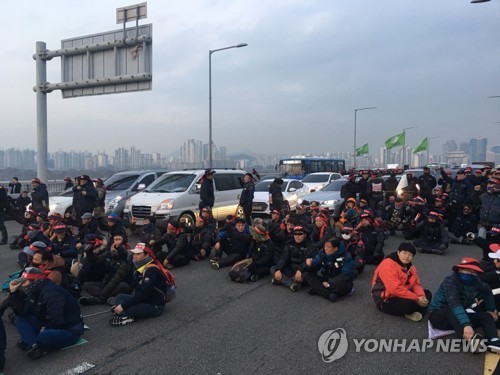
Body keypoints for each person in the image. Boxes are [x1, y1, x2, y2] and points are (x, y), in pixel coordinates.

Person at [9, 267, 84, 359]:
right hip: (47, 323)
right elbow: (22, 312)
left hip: (69, 329)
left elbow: (56, 319)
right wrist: (13, 293)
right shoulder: (34, 290)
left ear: (36, 281)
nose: (22, 285)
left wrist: (45, 329)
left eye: (24, 282)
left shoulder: (52, 292)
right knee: (21, 319)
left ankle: (36, 344)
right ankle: (34, 346)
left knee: (44, 335)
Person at [428, 258, 500, 352]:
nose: (470, 274)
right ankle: (470, 340)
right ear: (460, 270)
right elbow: (454, 304)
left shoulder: (476, 281)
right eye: (467, 271)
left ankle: (494, 341)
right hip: (439, 316)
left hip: (460, 315)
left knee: (486, 316)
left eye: (473, 272)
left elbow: (487, 292)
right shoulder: (450, 281)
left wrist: (491, 310)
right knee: (450, 309)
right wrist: (466, 325)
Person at [110, 244, 174, 327]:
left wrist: (124, 305)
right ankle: (125, 312)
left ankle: (127, 316)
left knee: (128, 308)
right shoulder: (140, 267)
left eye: (138, 254)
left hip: (154, 305)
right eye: (134, 254)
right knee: (120, 297)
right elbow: (135, 290)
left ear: (147, 255)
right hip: (145, 300)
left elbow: (145, 293)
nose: (135, 256)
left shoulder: (151, 270)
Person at [371, 242, 432, 321]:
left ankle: (415, 313)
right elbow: (395, 289)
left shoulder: (410, 267)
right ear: (398, 252)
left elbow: (416, 284)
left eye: (410, 255)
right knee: (409, 304)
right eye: (404, 253)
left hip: (401, 294)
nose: (407, 256)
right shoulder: (387, 264)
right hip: (385, 299)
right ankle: (417, 311)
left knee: (427, 294)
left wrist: (421, 296)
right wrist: (417, 299)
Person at [304, 237, 354, 302]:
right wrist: (309, 265)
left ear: (335, 248)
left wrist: (330, 283)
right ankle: (328, 295)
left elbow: (346, 275)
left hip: (339, 281)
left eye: (328, 247)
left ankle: (318, 289)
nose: (325, 249)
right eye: (325, 246)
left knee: (344, 286)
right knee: (306, 274)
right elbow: (315, 267)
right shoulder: (322, 253)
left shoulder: (346, 256)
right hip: (326, 278)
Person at [271, 226, 317, 292]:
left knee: (305, 275)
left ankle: (281, 280)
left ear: (305, 235)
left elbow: (308, 261)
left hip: (303, 270)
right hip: (292, 269)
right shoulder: (290, 244)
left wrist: (300, 270)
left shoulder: (311, 245)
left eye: (300, 234)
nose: (297, 236)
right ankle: (291, 284)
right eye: (295, 234)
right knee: (273, 268)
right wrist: (278, 269)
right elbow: (284, 257)